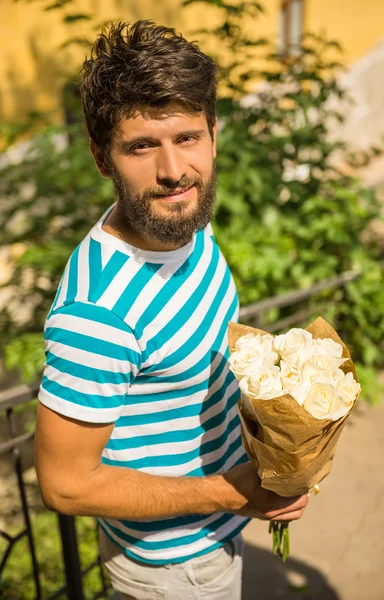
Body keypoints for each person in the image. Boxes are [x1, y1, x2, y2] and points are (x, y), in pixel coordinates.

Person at [34, 20, 308, 600]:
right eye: (141, 146)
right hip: (173, 570)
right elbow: (64, 487)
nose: (173, 171)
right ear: (101, 156)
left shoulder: (185, 224)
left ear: (214, 132)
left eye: (187, 137)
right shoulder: (97, 314)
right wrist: (234, 493)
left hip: (224, 529)